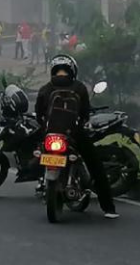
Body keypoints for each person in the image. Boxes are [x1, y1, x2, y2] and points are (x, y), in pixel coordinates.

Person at [34, 55, 118, 219]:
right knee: (96, 167)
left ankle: (40, 184)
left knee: (37, 152)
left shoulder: (45, 88)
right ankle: (108, 208)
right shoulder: (79, 88)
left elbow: (39, 114)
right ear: (72, 70)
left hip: (50, 135)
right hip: (74, 134)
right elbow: (85, 113)